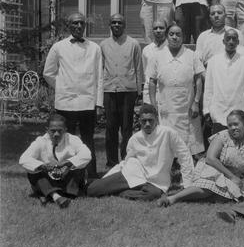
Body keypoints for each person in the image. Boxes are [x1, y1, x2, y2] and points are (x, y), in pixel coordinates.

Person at [87, 104, 194, 201]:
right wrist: (109, 177)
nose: (147, 124)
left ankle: (119, 192)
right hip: (133, 174)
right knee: (92, 190)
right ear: (139, 121)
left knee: (153, 194)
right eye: (144, 121)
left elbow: (184, 156)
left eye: (150, 120)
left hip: (155, 182)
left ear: (156, 119)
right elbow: (125, 162)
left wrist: (187, 184)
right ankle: (114, 188)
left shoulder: (168, 133)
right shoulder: (135, 139)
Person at [158, 110, 244, 206]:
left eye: (236, 124)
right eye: (230, 125)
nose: (233, 128)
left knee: (227, 197)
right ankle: (173, 198)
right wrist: (231, 177)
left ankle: (190, 198)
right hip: (213, 169)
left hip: (234, 176)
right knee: (207, 188)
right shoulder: (222, 136)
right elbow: (210, 159)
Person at [43, 12, 102, 178]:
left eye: (81, 23)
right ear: (69, 25)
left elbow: (100, 77)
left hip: (87, 103)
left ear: (85, 25)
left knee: (88, 140)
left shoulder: (95, 48)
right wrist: (62, 86)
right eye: (75, 23)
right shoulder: (58, 47)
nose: (78, 26)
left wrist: (99, 103)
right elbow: (48, 72)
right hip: (65, 103)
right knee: (65, 140)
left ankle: (91, 176)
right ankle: (65, 174)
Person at [148, 24, 205, 157]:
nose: (175, 37)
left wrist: (196, 102)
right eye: (171, 34)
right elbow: (152, 81)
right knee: (166, 143)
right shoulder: (157, 56)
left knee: (188, 146)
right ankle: (169, 170)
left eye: (178, 34)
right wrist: (152, 104)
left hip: (187, 108)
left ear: (183, 37)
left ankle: (187, 170)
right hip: (166, 108)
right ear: (167, 36)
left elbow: (198, 79)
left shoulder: (192, 55)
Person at [19, 114, 91, 208]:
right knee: (33, 172)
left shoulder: (73, 139)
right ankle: (56, 196)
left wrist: (67, 163)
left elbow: (87, 155)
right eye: (53, 131)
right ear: (47, 129)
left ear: (65, 129)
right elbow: (23, 159)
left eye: (60, 131)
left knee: (79, 167)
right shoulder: (40, 141)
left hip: (68, 179)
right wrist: (43, 166)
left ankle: (48, 194)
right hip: (49, 179)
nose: (56, 134)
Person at [100, 13, 143, 168]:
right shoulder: (103, 45)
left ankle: (126, 160)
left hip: (128, 91)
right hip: (110, 91)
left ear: (124, 26)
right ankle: (111, 162)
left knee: (126, 128)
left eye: (119, 23)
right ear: (110, 25)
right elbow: (101, 69)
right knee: (110, 128)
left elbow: (139, 68)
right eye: (113, 22)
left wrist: (139, 92)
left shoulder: (133, 44)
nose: (116, 25)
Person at [204, 28, 244, 134]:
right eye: (228, 38)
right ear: (223, 41)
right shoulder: (213, 61)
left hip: (238, 110)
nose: (231, 42)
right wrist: (207, 110)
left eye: (234, 39)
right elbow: (208, 88)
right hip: (218, 110)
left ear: (238, 42)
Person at [142, 19, 167, 104]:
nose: (158, 30)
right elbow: (146, 71)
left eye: (161, 28)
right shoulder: (146, 50)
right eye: (155, 28)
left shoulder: (171, 49)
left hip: (167, 92)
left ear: (166, 29)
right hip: (149, 92)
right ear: (152, 30)